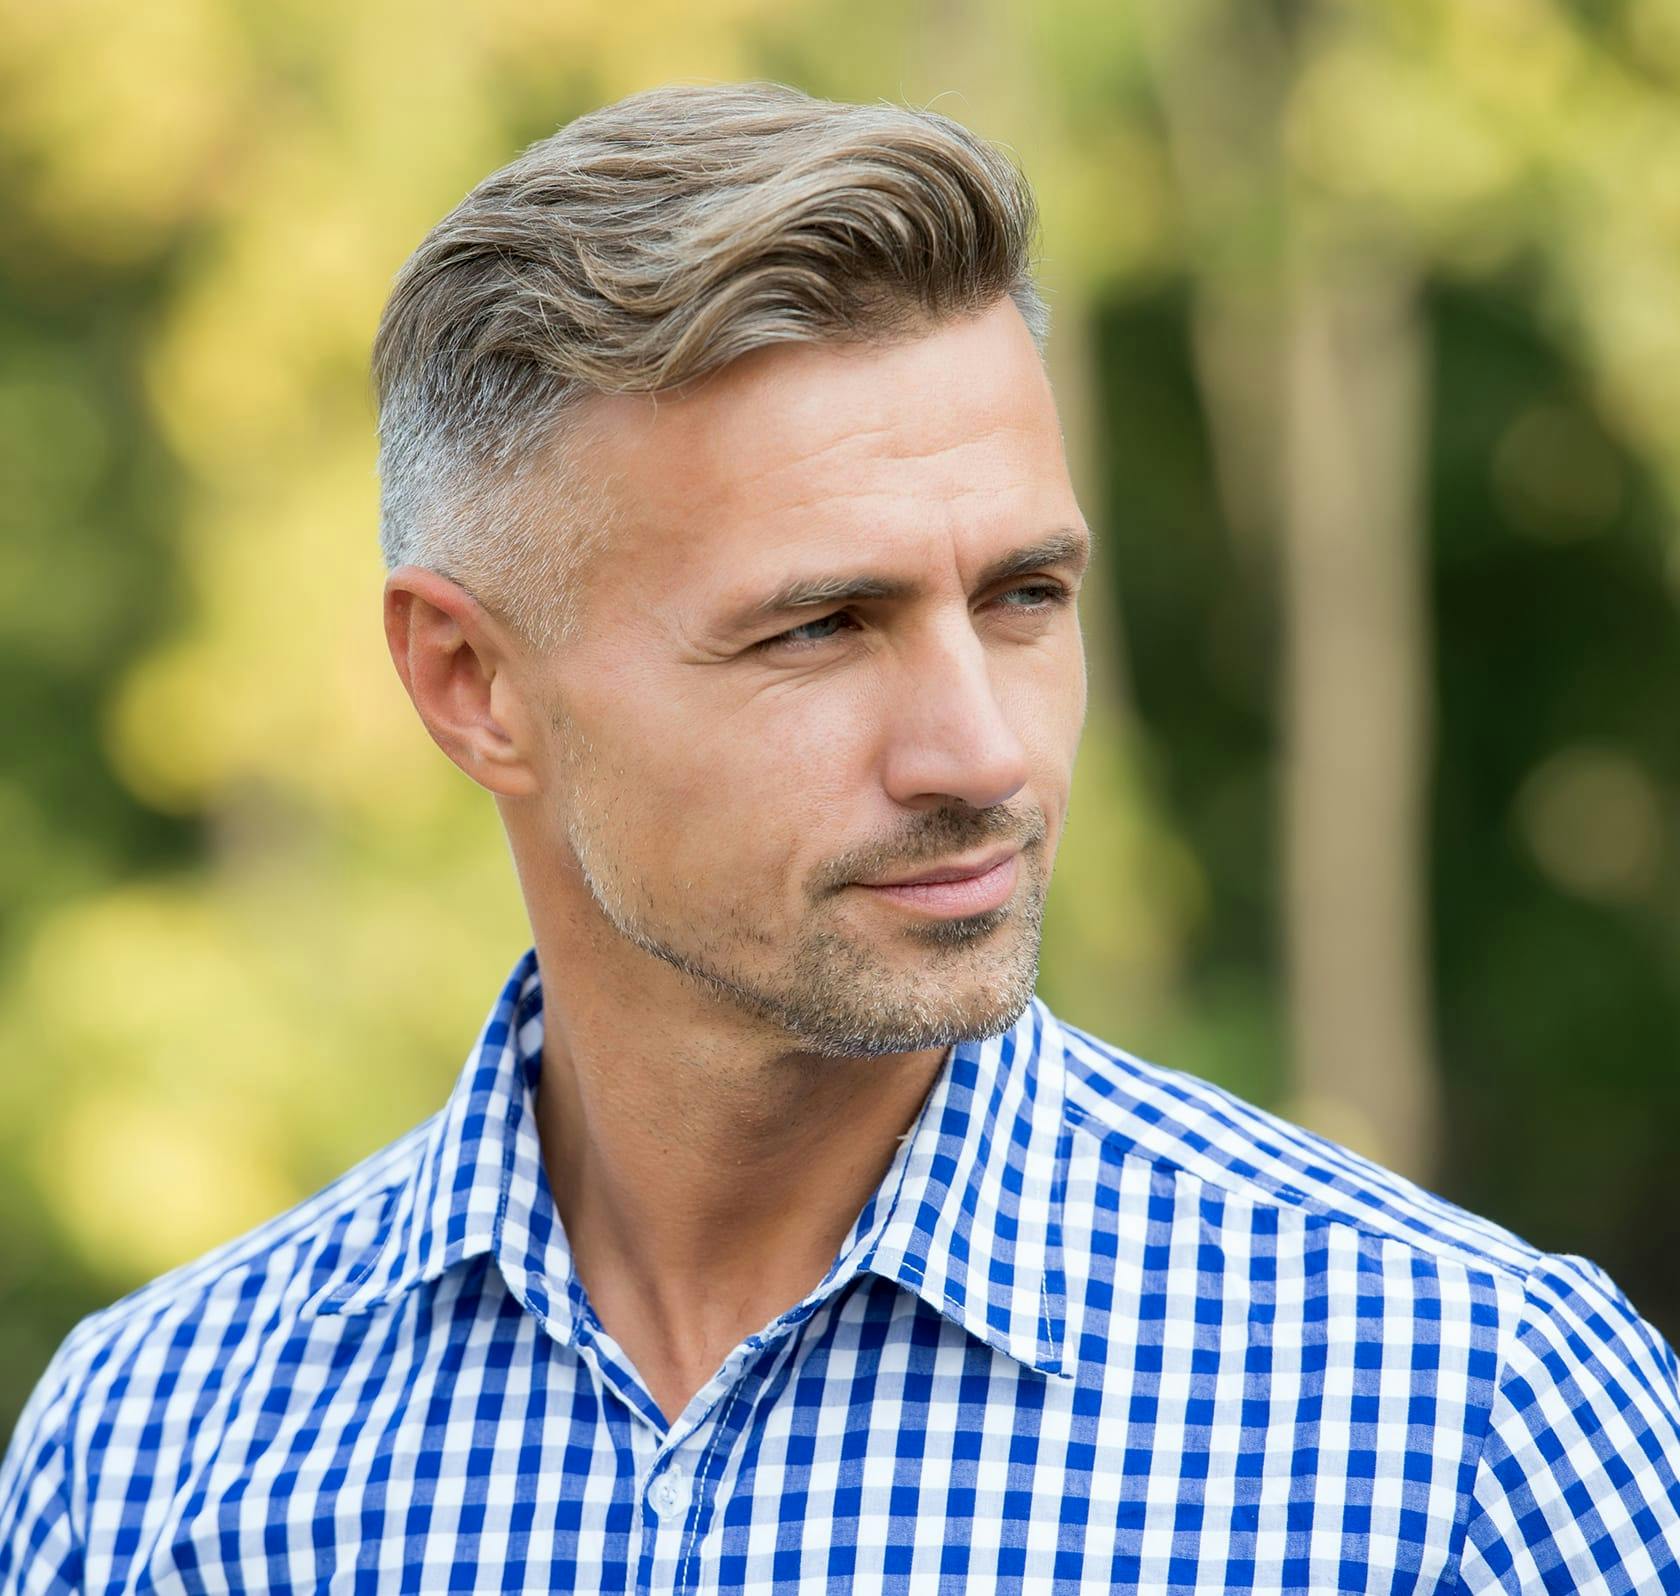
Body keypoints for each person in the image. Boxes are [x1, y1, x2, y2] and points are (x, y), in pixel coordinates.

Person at [3, 80, 1677, 1596]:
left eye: (1025, 598)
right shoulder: (153, 1468)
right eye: (818, 628)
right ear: (470, 684)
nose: (981, 751)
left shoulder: (1464, 1435)